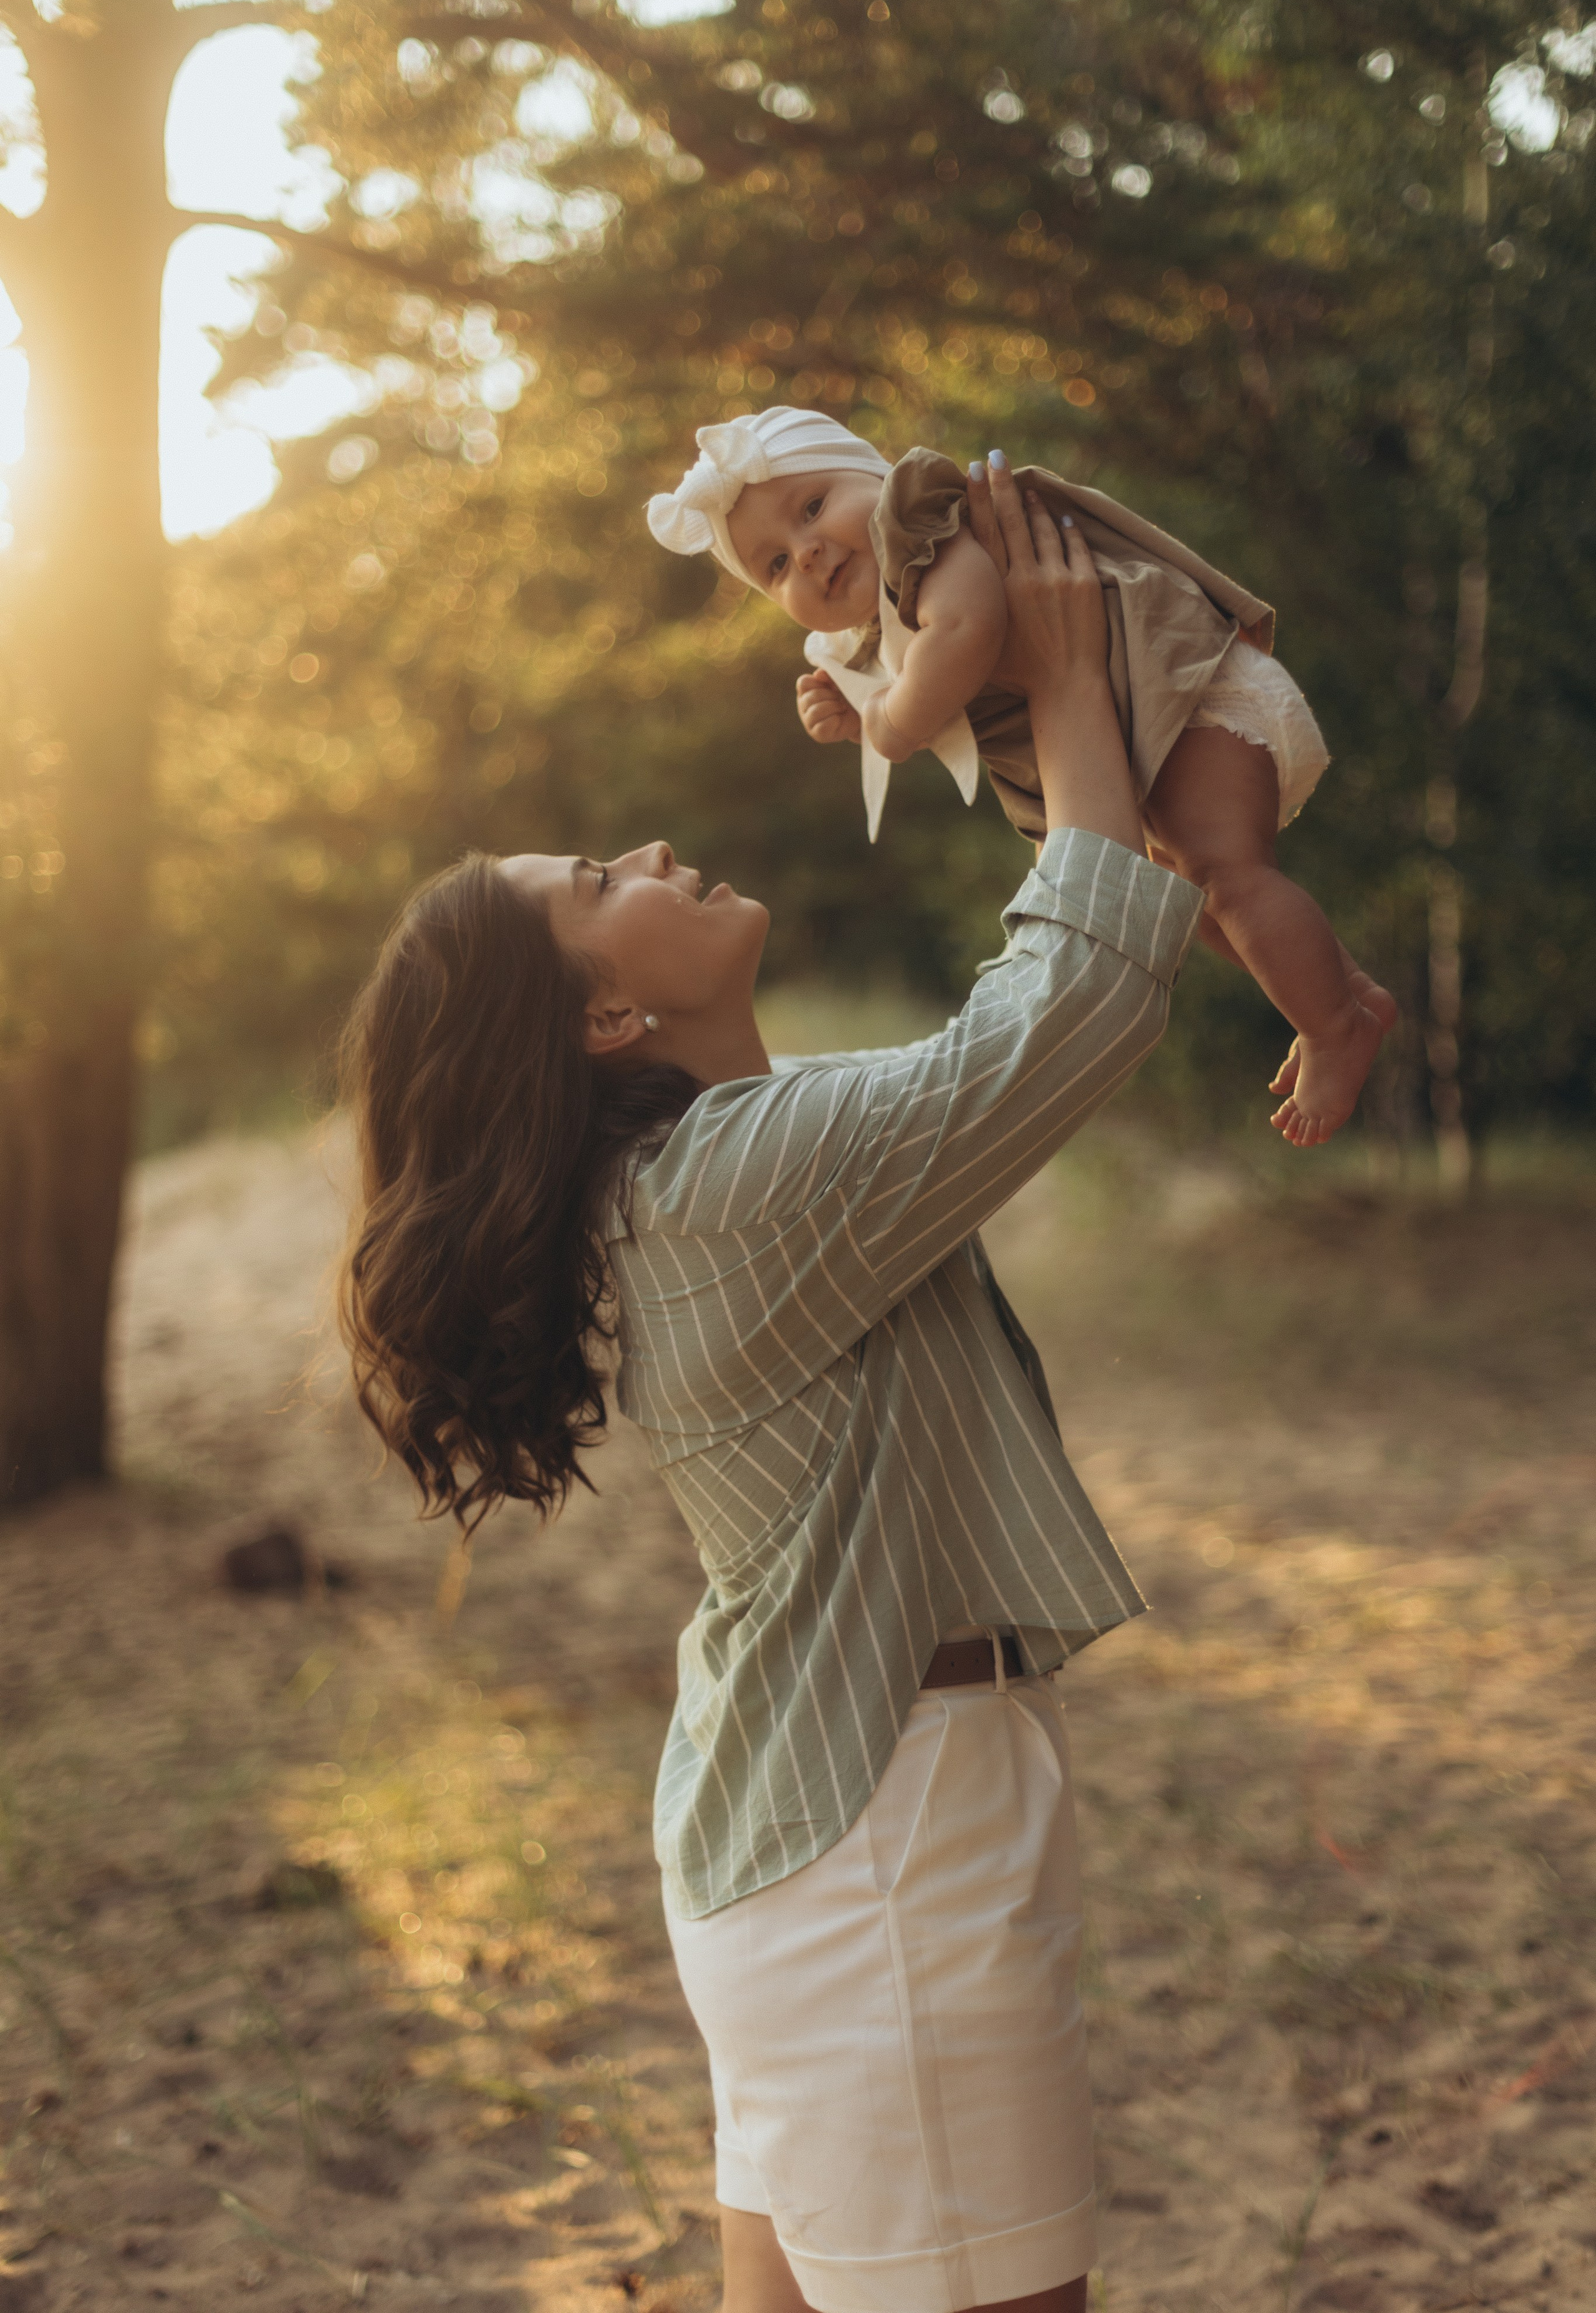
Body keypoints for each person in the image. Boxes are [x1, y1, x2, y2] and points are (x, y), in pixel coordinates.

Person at [339, 461, 1205, 2313]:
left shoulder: (711, 1170)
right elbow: (1067, 1018)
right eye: (599, 881)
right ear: (596, 1018)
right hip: (884, 1837)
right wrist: (1055, 671)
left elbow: (1009, 1025)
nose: (648, 850)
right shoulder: (726, 1191)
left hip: (816, 1830)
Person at [647, 406, 1396, 1148]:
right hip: (1157, 727)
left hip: (1191, 690)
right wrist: (856, 705)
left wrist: (888, 722)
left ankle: (1328, 1028)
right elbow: (930, 676)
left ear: (871, 473)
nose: (805, 552)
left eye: (812, 508)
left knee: (1227, 876)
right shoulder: (883, 619)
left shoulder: (918, 520)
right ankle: (1343, 993)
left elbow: (967, 627)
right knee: (1193, 899)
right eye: (774, 564)